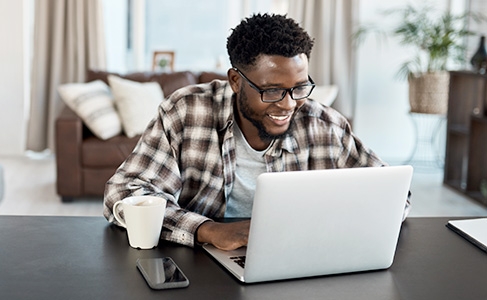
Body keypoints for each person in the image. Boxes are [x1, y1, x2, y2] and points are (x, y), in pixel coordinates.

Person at [104, 13, 409, 250]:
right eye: (273, 91)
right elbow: (124, 193)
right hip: (203, 260)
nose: (289, 104)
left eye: (299, 88)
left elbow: (394, 195)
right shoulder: (186, 111)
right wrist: (207, 230)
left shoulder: (324, 125)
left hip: (300, 258)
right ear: (236, 81)